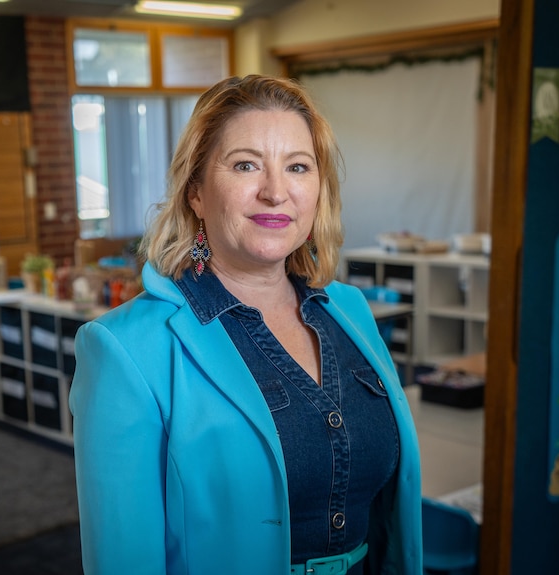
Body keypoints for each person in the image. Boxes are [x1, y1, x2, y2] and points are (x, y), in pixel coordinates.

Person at [69, 74, 422, 574]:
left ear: (318, 189)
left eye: (298, 167)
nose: (276, 192)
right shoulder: (125, 349)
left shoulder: (351, 311)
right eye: (246, 165)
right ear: (196, 191)